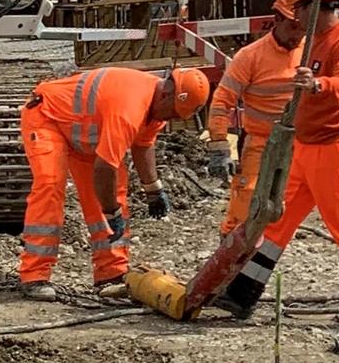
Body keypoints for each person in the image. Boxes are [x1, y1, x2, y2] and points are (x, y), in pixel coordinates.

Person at [217, 0, 339, 332]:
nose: (295, 17)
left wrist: (318, 84)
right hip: (304, 146)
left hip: (334, 147)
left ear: (315, 7)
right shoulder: (313, 39)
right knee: (277, 219)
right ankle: (244, 292)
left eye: (299, 9)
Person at [17, 63, 210, 297]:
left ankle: (111, 273)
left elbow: (143, 144)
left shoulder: (157, 104)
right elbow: (104, 168)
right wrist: (112, 212)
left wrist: (153, 189)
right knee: (50, 185)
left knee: (113, 193)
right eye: (172, 113)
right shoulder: (129, 108)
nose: (169, 119)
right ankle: (34, 275)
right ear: (167, 94)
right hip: (48, 117)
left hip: (85, 135)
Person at [205, 0, 305, 231]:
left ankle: (265, 254)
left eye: (302, 27)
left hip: (301, 140)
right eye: (292, 27)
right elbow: (222, 100)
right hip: (261, 141)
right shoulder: (250, 56)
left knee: (290, 202)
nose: (298, 34)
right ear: (277, 20)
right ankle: (232, 252)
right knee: (247, 201)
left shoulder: (310, 50)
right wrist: (219, 145)